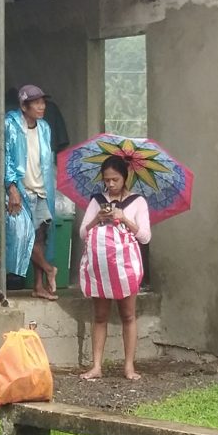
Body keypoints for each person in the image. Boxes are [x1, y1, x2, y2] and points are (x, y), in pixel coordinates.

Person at [78, 155, 151, 381]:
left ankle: (129, 367)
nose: (110, 184)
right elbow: (83, 233)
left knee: (128, 315)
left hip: (125, 267)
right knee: (100, 315)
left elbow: (146, 237)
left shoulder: (137, 202)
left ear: (125, 177)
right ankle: (96, 366)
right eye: (106, 180)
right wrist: (97, 219)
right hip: (100, 267)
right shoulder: (97, 201)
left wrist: (124, 219)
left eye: (115, 179)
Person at [0, 84, 59, 301]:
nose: (41, 106)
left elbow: (45, 160)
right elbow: (4, 157)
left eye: (43, 102)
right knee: (22, 234)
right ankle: (48, 269)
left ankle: (38, 286)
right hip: (20, 189)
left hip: (41, 189)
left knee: (40, 237)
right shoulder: (10, 125)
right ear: (24, 106)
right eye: (36, 103)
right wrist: (12, 188)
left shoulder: (44, 127)